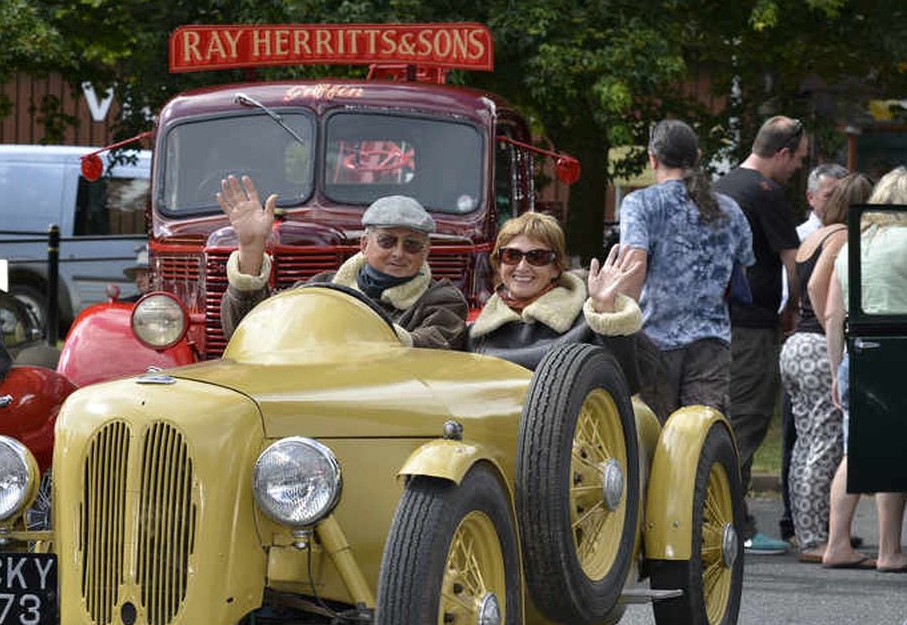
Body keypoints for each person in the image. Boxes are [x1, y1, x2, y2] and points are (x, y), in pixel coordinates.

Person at [217, 174, 468, 349]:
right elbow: (251, 328)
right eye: (387, 241)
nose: (399, 253)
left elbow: (432, 348)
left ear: (426, 252)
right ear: (364, 245)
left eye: (412, 245)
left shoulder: (443, 301)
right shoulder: (322, 288)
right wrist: (251, 249)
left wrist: (349, 329)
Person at [715, 115, 809, 555]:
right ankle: (736, 524)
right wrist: (794, 310)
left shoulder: (723, 185)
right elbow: (792, 262)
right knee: (748, 422)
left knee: (726, 418)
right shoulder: (765, 192)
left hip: (721, 321)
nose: (796, 171)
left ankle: (721, 518)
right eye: (797, 161)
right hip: (752, 326)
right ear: (783, 152)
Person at [618, 119, 754, 422]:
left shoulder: (640, 204)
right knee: (703, 437)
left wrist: (618, 330)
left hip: (654, 341)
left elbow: (633, 267)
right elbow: (743, 266)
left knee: (655, 437)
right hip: (712, 342)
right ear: (698, 156)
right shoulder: (729, 209)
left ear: (652, 158)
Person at [780, 173, 872, 563]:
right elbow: (819, 287)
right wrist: (833, 326)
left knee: (805, 445)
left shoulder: (815, 235)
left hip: (795, 346)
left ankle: (809, 531)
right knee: (827, 446)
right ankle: (819, 538)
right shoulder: (842, 237)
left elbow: (798, 278)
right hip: (818, 345)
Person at [820, 167, 907, 571]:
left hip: (860, 352)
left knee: (857, 451)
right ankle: (889, 550)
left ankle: (836, 543)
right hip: (901, 349)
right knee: (897, 451)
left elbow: (833, 314)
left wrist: (839, 369)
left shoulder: (853, 244)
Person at [466, 211, 647, 389]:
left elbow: (625, 384)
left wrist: (605, 308)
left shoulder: (588, 323)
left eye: (537, 257)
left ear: (556, 268)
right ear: (499, 264)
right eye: (511, 256)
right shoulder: (477, 333)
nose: (522, 267)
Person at [796, 163, 849, 241]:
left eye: (842, 196)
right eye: (829, 196)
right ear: (810, 198)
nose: (837, 201)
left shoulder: (857, 234)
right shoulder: (799, 237)